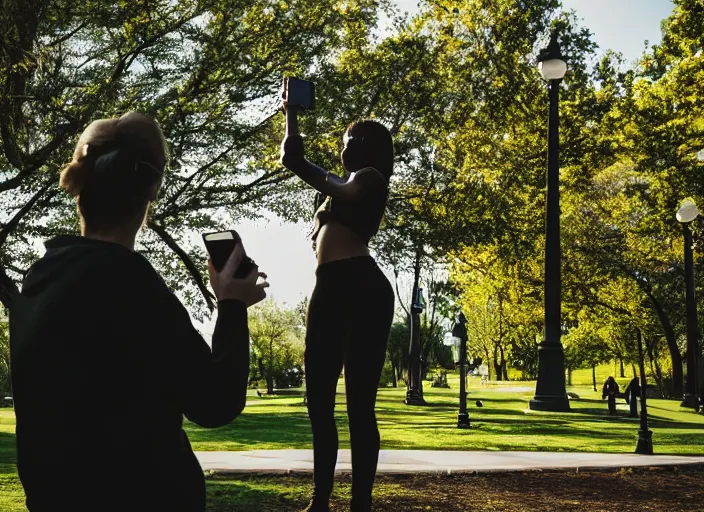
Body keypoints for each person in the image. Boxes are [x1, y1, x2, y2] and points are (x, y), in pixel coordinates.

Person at [9, 112, 268, 512]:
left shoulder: (37, 283)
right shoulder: (131, 285)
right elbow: (215, 401)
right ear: (152, 189)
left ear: (81, 188)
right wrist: (232, 305)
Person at [280, 104, 395, 512]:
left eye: (347, 140)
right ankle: (321, 499)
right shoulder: (340, 185)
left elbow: (333, 185)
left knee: (359, 406)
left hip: (362, 288)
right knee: (318, 402)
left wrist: (301, 163)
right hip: (327, 288)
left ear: (364, 146)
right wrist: (291, 112)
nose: (341, 146)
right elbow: (293, 157)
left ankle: (360, 503)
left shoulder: (369, 178)